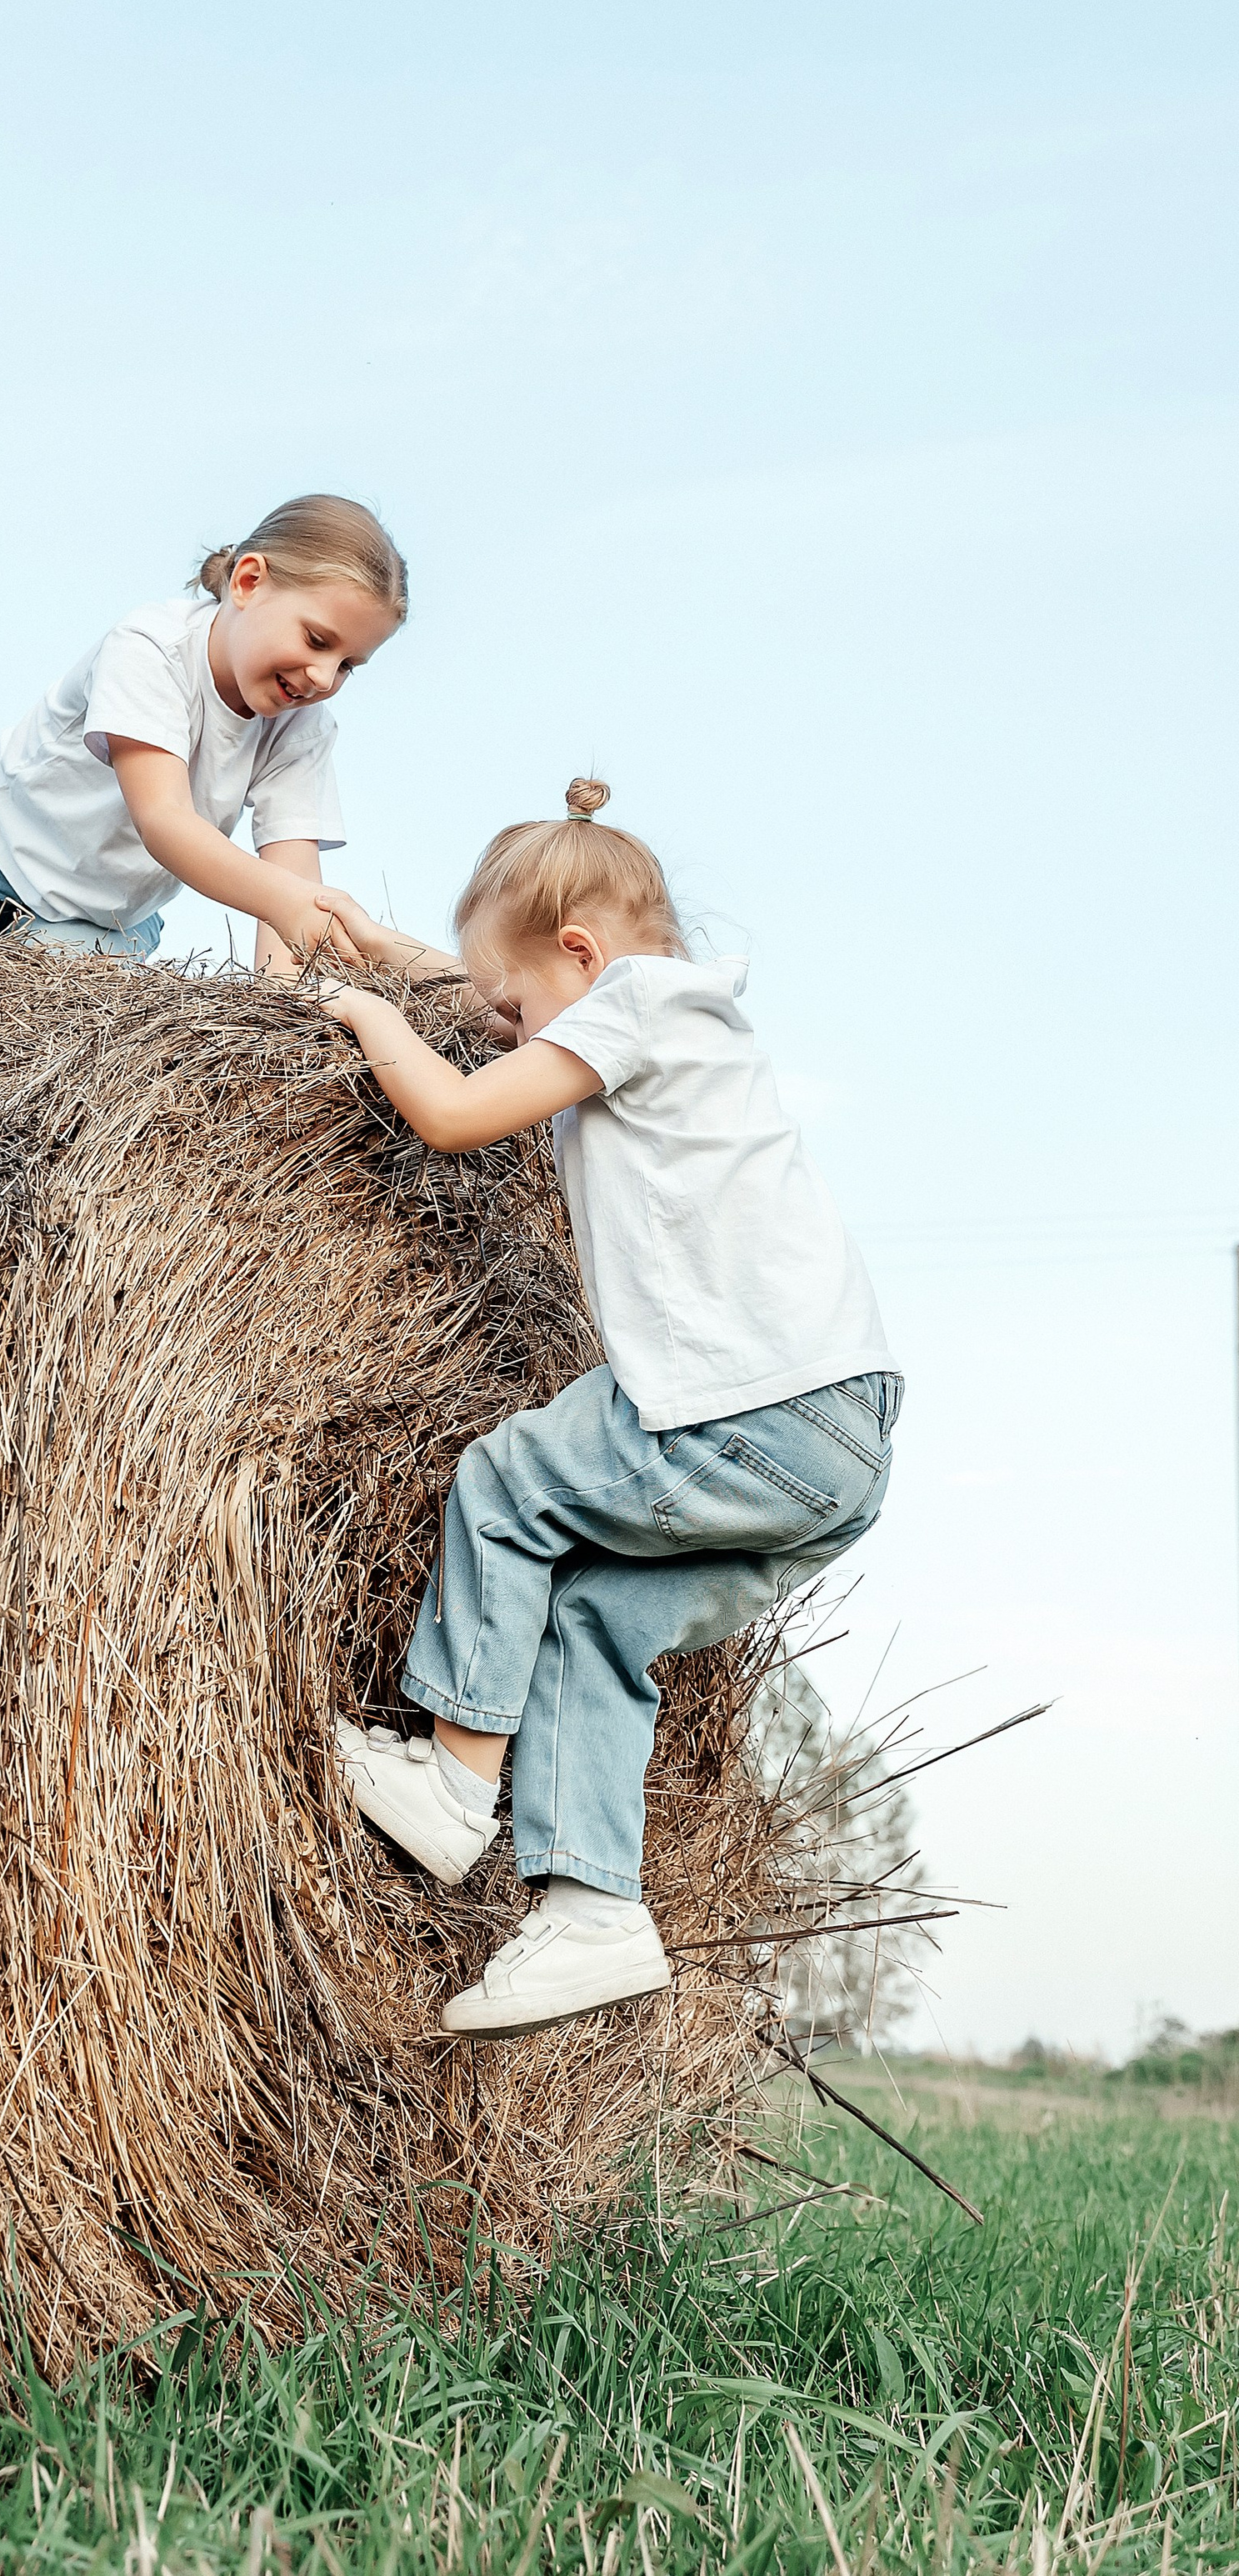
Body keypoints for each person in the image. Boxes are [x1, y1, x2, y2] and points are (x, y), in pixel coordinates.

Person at [311, 784, 899, 2039]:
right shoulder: (669, 1010)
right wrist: (386, 946)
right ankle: (592, 1912)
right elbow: (509, 1000)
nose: (500, 1027)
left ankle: (451, 1785)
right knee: (590, 1620)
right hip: (829, 1449)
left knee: (509, 1478)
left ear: (581, 952)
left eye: (513, 1006)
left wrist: (359, 1010)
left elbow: (457, 1108)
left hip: (752, 1408)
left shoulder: (631, 1003)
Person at [0, 495, 408, 988]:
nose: (323, 676)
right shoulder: (150, 647)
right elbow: (165, 821)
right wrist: (290, 905)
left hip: (100, 918)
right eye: (317, 640)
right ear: (249, 582)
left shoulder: (303, 728)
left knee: (23, 1059)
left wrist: (281, 1004)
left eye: (349, 665)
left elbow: (290, 889)